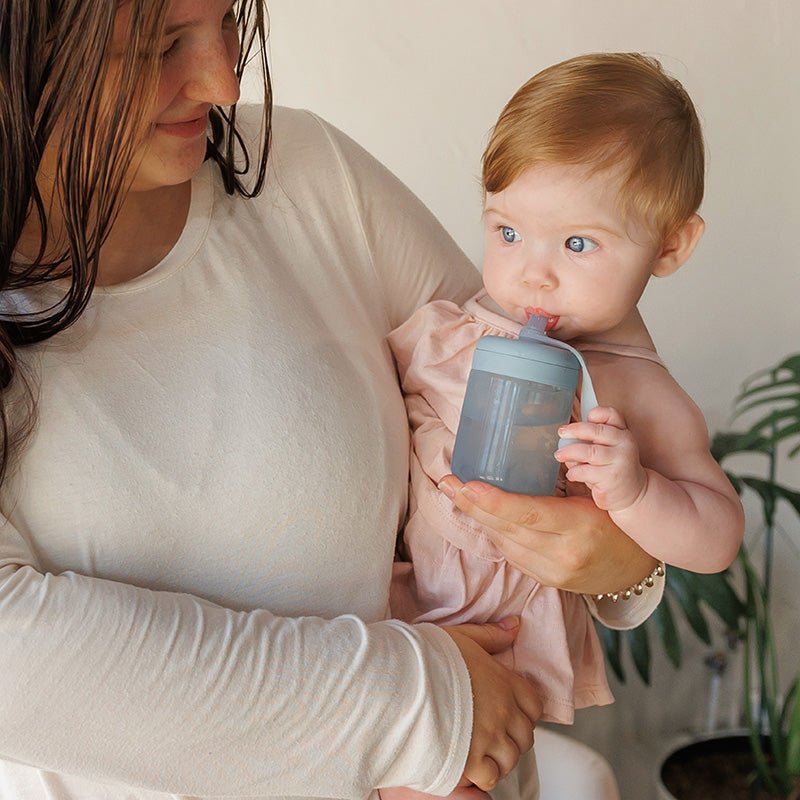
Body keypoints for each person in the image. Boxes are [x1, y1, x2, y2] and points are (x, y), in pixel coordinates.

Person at [0, 5, 664, 799]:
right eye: (159, 46)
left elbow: (543, 402)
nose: (222, 82)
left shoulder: (307, 173)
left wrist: (624, 561)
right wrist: (420, 712)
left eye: (226, 22)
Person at [385, 53, 744, 800]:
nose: (531, 274)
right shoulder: (462, 327)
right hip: (389, 615)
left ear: (670, 245)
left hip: (500, 647)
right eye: (508, 231)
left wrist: (635, 492)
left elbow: (717, 537)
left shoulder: (638, 392)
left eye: (578, 244)